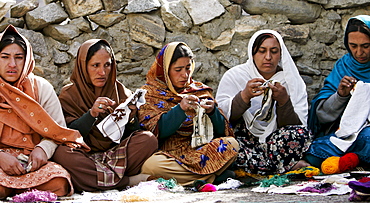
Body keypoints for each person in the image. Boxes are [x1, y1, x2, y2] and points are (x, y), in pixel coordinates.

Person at [52, 39, 158, 192]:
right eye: (95, 65)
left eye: (107, 65)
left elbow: (132, 134)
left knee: (148, 140)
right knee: (62, 153)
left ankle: (90, 180)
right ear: (83, 67)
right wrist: (92, 114)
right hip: (84, 155)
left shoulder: (121, 91)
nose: (102, 72)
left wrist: (131, 116)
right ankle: (127, 181)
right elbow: (69, 133)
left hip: (115, 155)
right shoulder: (69, 95)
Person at [0, 25, 89, 199]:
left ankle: (12, 190)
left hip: (31, 161)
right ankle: (16, 190)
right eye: (4, 57)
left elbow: (58, 130)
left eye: (19, 58)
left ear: (27, 61)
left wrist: (42, 150)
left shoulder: (40, 88)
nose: (12, 64)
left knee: (59, 183)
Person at [138, 42, 239, 186]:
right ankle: (211, 177)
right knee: (150, 166)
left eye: (188, 68)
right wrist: (180, 110)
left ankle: (189, 179)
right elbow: (154, 132)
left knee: (232, 144)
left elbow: (222, 131)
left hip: (199, 151)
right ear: (164, 70)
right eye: (178, 69)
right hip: (169, 155)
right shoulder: (149, 94)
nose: (184, 75)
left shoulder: (199, 90)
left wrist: (212, 112)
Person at [216, 30, 311, 175]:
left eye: (274, 51)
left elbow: (298, 125)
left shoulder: (291, 80)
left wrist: (284, 102)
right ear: (252, 53)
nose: (268, 57)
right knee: (225, 146)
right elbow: (221, 118)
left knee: (298, 135)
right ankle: (284, 166)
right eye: (262, 51)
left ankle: (260, 166)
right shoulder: (235, 76)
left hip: (276, 142)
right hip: (245, 140)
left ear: (281, 54)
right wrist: (244, 96)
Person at [306, 15, 370, 168]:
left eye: (366, 46)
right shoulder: (344, 67)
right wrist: (341, 95)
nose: (359, 52)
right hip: (346, 135)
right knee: (313, 153)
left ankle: (351, 160)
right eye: (353, 46)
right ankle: (355, 160)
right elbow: (321, 114)